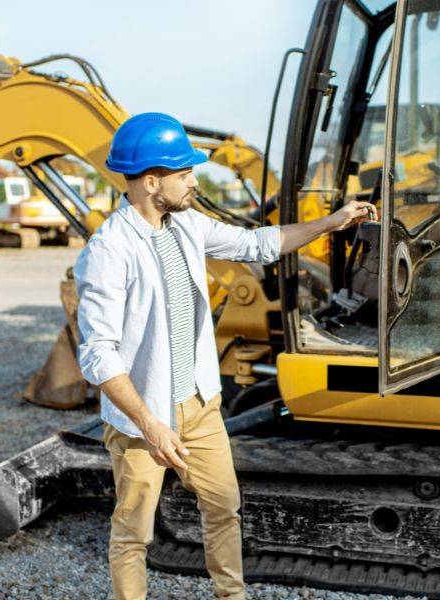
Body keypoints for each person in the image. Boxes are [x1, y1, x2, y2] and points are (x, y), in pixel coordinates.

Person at [74, 112, 377, 600]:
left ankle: (230, 597)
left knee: (223, 507)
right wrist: (150, 425)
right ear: (152, 183)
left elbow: (259, 243)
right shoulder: (108, 251)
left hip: (200, 407)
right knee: (134, 532)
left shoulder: (187, 224)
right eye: (185, 174)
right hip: (143, 418)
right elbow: (98, 355)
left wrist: (333, 221)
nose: (194, 181)